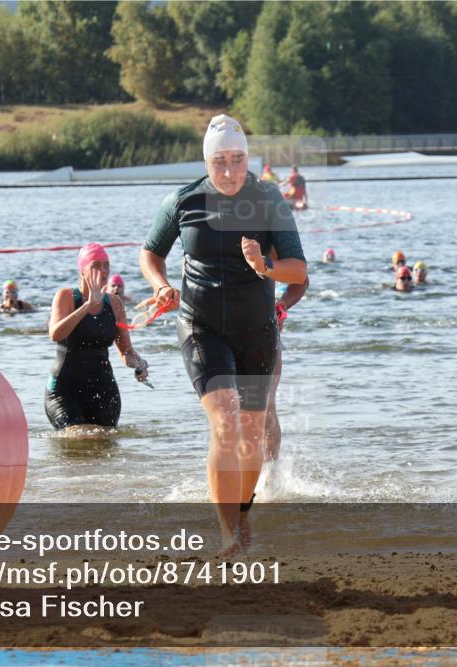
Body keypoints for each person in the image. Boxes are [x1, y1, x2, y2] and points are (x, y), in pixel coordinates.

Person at [140, 113, 308, 554]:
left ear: (247, 159)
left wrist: (264, 266)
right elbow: (150, 253)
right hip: (202, 326)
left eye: (237, 160)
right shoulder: (183, 201)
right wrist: (161, 286)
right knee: (224, 419)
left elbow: (299, 272)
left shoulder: (269, 200)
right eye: (220, 162)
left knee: (251, 434)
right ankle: (228, 531)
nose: (230, 172)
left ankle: (242, 514)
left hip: (257, 330)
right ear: (206, 162)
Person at [45, 243, 149, 432]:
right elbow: (55, 334)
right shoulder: (66, 296)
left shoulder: (115, 303)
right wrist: (87, 305)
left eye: (106, 265)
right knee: (78, 435)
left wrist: (139, 364)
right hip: (64, 390)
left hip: (103, 391)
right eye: (96, 265)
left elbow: (126, 352)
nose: (103, 271)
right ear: (83, 271)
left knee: (104, 441)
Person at [262, 278, 309, 465]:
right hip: (214, 336)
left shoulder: (264, 257)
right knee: (226, 409)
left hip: (263, 332)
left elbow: (301, 279)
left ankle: (270, 475)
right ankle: (230, 475)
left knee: (265, 406)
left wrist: (282, 305)